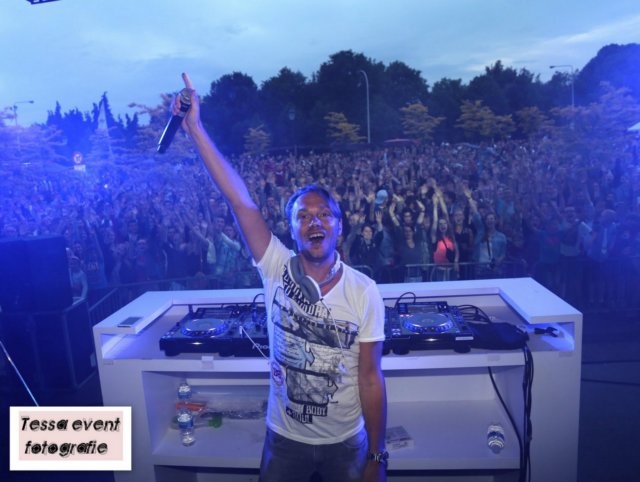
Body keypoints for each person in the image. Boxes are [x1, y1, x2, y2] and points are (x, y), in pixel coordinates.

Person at [173, 73, 388, 482]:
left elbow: (370, 378)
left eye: (324, 214)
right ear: (291, 231)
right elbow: (240, 200)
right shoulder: (276, 266)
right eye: (303, 216)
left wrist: (377, 457)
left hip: (346, 443)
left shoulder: (365, 291)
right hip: (285, 441)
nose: (314, 222)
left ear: (339, 226)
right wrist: (195, 129)